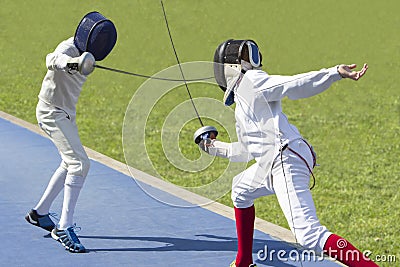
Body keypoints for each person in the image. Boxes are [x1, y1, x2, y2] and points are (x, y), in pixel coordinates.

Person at [196, 39, 377, 267]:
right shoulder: (242, 103)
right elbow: (244, 151)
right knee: (240, 190)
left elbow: (293, 84)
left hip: (285, 158)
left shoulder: (252, 81)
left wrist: (333, 73)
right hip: (271, 162)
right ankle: (243, 262)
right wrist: (212, 147)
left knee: (309, 235)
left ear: (230, 67)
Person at [25, 11, 117, 253]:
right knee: (80, 164)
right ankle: (64, 227)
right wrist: (71, 63)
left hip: (65, 113)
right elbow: (50, 59)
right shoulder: (66, 48)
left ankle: (40, 213)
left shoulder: (89, 56)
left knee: (69, 163)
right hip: (50, 112)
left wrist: (83, 62)